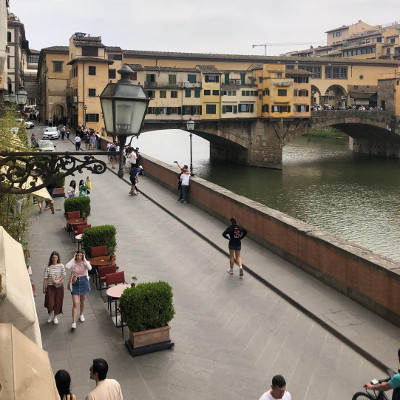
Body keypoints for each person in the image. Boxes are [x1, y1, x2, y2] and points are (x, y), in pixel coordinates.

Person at [65, 251, 92, 330]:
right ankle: (73, 322)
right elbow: (67, 266)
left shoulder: (85, 263)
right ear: (76, 256)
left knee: (82, 301)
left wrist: (85, 260)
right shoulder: (73, 262)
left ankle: (81, 314)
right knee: (75, 303)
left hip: (83, 281)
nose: (79, 257)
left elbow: (90, 268)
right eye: (78, 255)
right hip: (75, 282)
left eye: (81, 255)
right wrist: (73, 259)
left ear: (83, 256)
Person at [43, 251, 66, 325]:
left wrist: (58, 280)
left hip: (59, 286)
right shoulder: (48, 268)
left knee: (58, 301)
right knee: (50, 302)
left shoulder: (61, 266)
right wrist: (44, 287)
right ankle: (50, 314)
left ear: (58, 258)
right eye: (53, 257)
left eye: (56, 257)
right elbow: (45, 278)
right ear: (51, 258)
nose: (54, 259)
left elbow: (63, 274)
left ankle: (55, 316)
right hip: (50, 286)